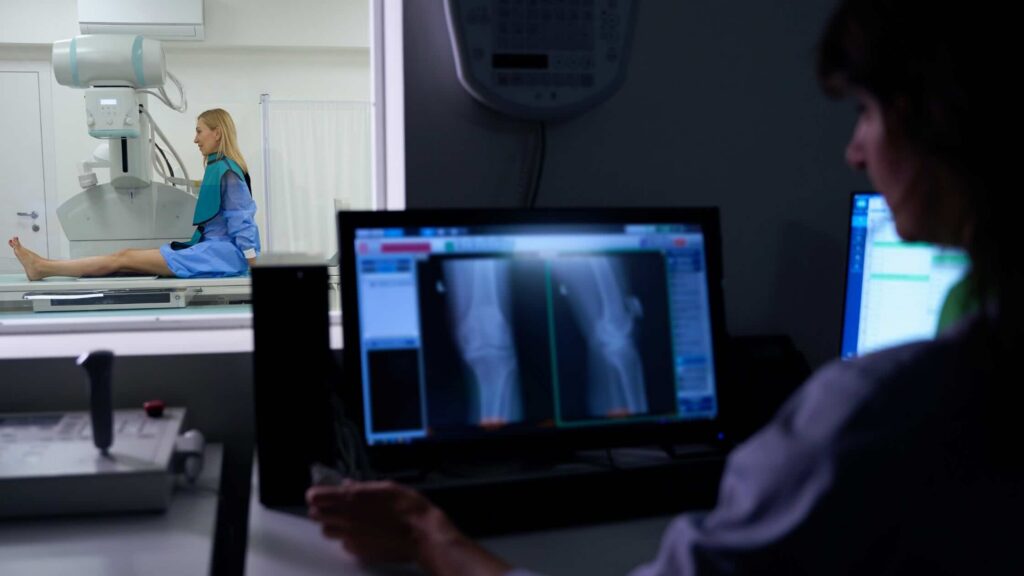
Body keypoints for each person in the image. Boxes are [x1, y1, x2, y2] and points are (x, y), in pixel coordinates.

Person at [306, 1, 1021, 573]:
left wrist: (433, 535)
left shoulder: (876, 411)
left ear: (942, 124)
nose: (854, 149)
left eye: (866, 113)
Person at [8, 108, 260, 280]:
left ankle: (42, 267)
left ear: (217, 133)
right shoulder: (219, 168)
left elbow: (242, 221)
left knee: (123, 258)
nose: (195, 139)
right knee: (124, 258)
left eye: (199, 131)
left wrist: (252, 267)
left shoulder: (227, 171)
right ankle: (43, 266)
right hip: (212, 252)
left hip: (220, 257)